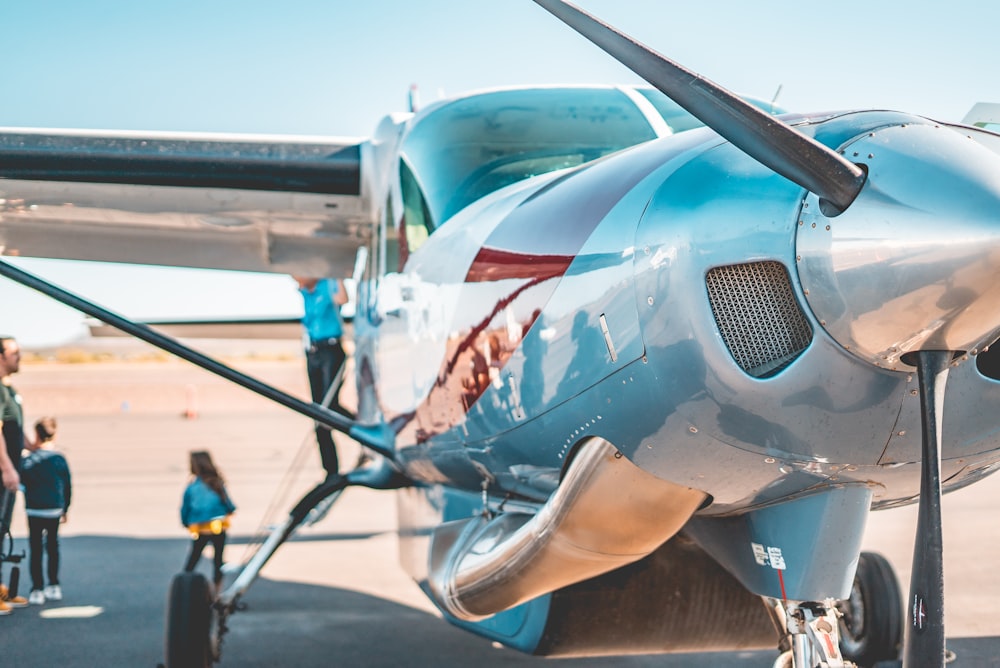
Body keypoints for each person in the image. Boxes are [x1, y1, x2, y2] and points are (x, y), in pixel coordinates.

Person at [293, 276, 349, 478]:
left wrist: (338, 273)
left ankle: (365, 432)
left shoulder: (328, 284)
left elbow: (342, 299)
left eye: (297, 275)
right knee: (317, 412)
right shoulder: (304, 292)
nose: (294, 280)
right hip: (313, 352)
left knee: (330, 406)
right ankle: (331, 470)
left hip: (331, 350)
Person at [20, 416, 72, 605]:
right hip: (54, 509)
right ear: (55, 434)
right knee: (52, 546)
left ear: (36, 434)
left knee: (35, 549)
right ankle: (54, 585)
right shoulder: (59, 458)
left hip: (34, 510)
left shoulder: (28, 460)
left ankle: (37, 588)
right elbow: (67, 485)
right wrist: (65, 508)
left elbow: (21, 482)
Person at [0, 336, 30, 613]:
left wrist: (33, 445)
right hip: (3, 472)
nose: (19, 356)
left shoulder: (9, 389)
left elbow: (14, 428)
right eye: (14, 352)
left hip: (11, 471)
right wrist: (7, 467)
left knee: (2, 529)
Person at [180, 451, 236, 589]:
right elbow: (229, 506)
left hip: (200, 529)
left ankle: (184, 587)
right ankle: (217, 592)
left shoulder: (192, 487)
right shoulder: (217, 484)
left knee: (194, 558)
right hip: (219, 527)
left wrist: (186, 522)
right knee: (218, 561)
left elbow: (185, 509)